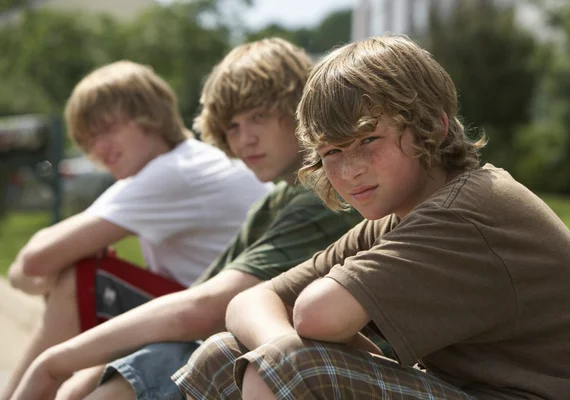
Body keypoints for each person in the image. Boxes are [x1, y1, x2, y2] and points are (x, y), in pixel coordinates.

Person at [174, 35, 570, 400]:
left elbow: (318, 314)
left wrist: (289, 351)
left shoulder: (466, 210)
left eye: (368, 139)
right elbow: (249, 301)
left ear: (433, 124)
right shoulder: (395, 218)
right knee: (225, 355)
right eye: (331, 152)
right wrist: (282, 345)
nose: (349, 169)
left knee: (292, 365)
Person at [9, 38, 363, 400]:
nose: (246, 139)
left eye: (258, 117)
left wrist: (55, 363)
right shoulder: (273, 201)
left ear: (297, 109)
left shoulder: (323, 197)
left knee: (84, 283)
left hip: (274, 345)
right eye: (232, 127)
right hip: (222, 320)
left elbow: (203, 309)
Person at [2, 60, 270, 400]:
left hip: (223, 320)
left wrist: (39, 275)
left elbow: (34, 262)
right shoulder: (179, 162)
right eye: (88, 141)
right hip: (225, 307)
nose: (98, 150)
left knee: (82, 277)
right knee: (83, 279)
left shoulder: (172, 172)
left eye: (107, 129)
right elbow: (34, 263)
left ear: (150, 118)